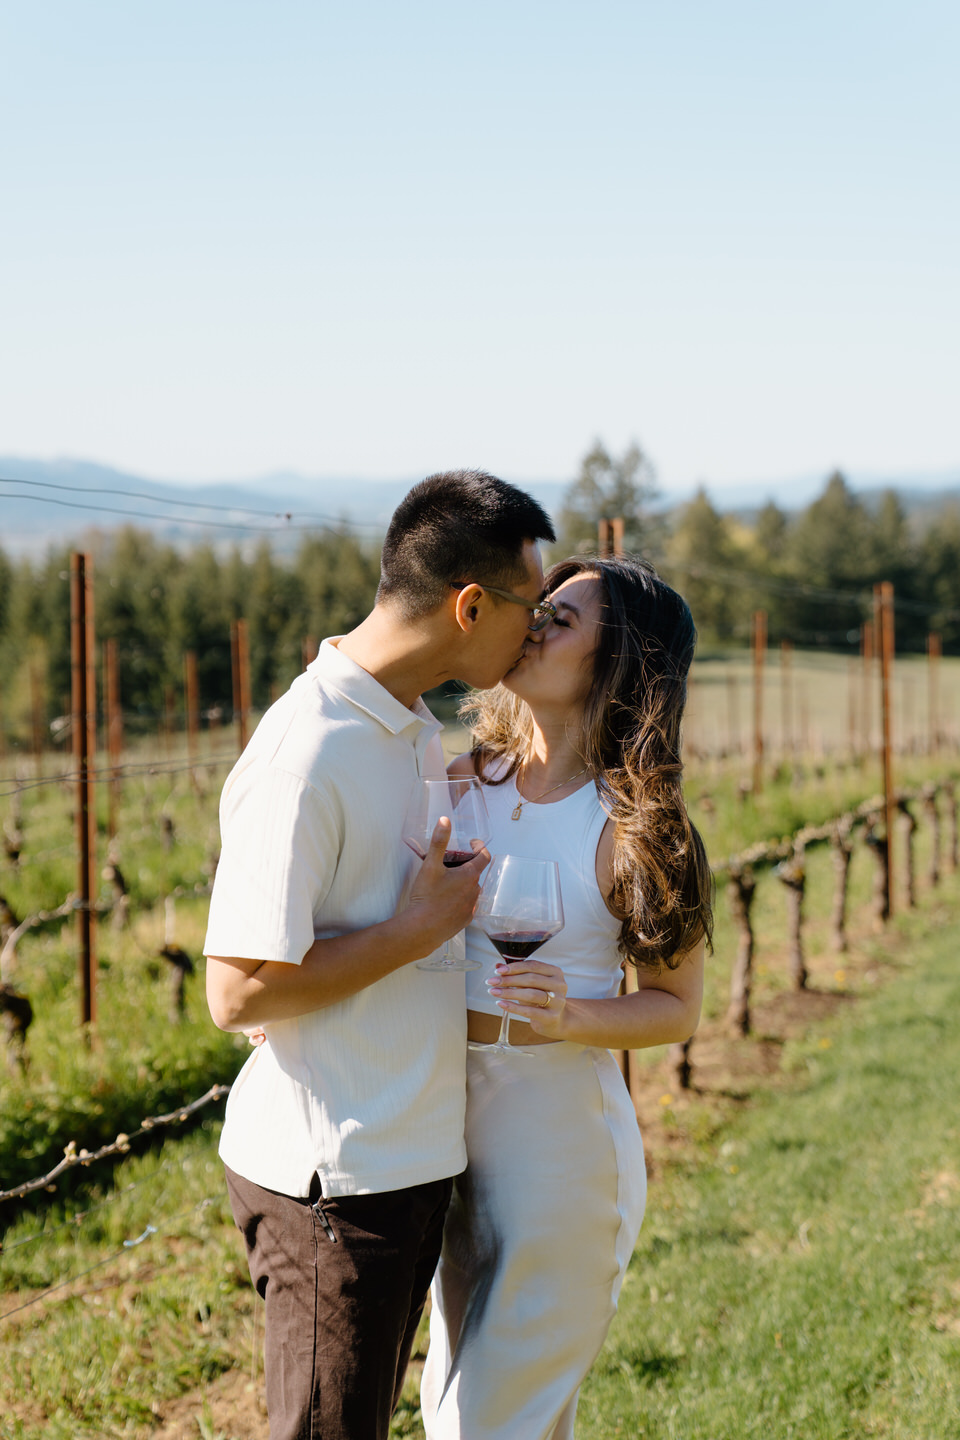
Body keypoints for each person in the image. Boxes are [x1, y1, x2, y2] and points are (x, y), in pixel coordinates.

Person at [203, 469, 555, 1440]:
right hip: (334, 1181)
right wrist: (413, 933)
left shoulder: (404, 727)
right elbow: (235, 993)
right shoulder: (305, 754)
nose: (535, 632)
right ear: (470, 603)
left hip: (403, 1160)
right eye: (529, 609)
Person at [420, 554, 714, 1440]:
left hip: (562, 1149)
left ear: (620, 659)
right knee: (467, 1404)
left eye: (564, 620)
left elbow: (676, 1007)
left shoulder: (639, 827)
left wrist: (575, 1015)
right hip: (440, 1127)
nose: (534, 625)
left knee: (487, 1425)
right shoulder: (462, 781)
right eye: (538, 609)